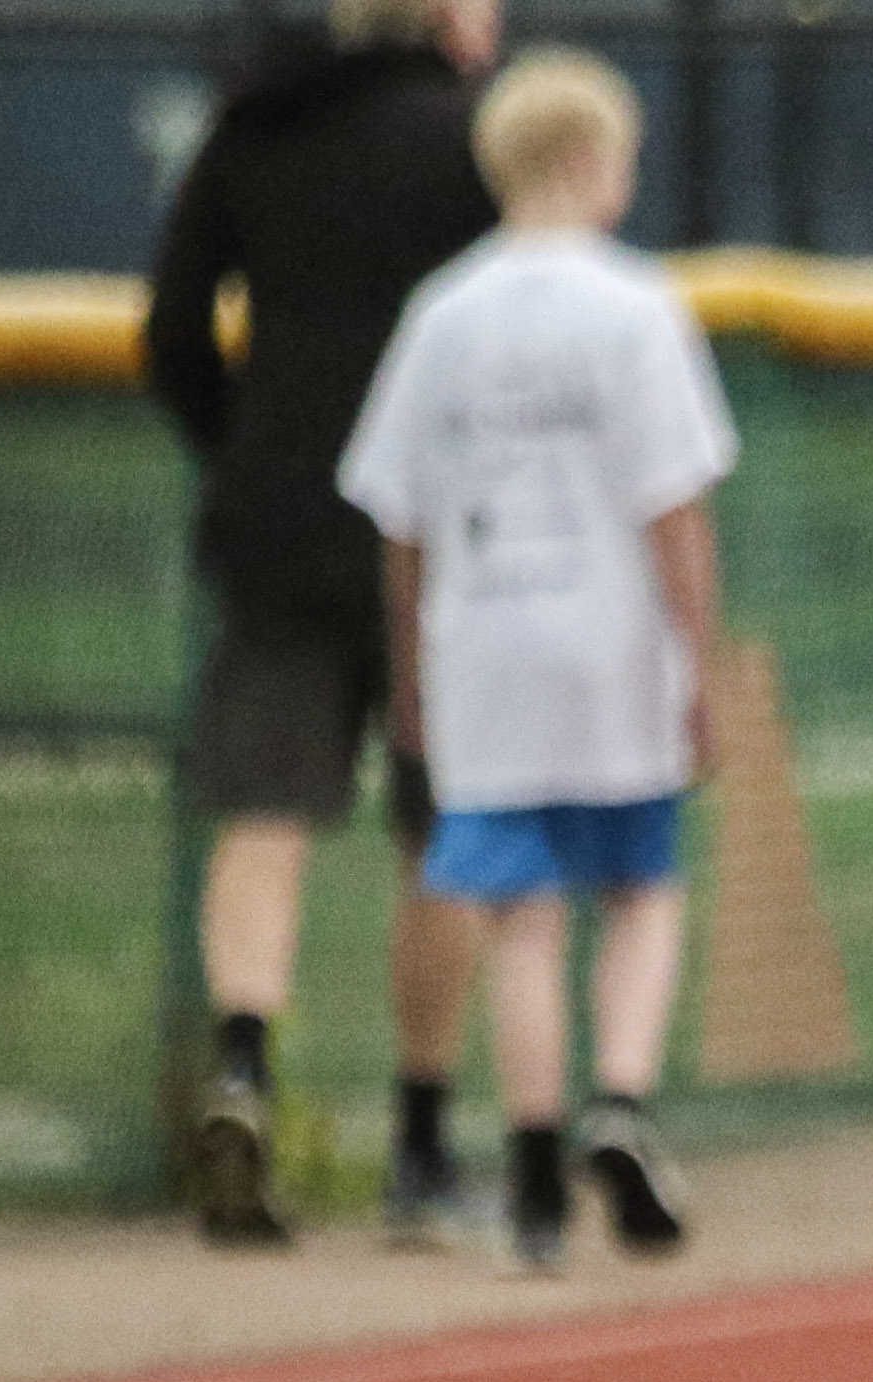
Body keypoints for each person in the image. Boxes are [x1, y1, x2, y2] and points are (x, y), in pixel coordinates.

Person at [337, 50, 729, 1276]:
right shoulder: (637, 305)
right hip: (609, 644)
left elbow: (397, 523)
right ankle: (621, 1095)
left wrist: (412, 672)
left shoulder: (442, 315)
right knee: (644, 893)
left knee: (518, 925)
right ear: (588, 162)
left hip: (488, 647)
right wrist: (698, 659)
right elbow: (675, 508)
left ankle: (534, 1182)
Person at [144, 0, 507, 1250]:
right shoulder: (477, 141)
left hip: (282, 517)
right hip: (445, 538)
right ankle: (419, 1143)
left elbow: (172, 331)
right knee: (441, 833)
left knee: (267, 809)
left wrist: (241, 448)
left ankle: (243, 1064)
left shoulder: (254, 126)